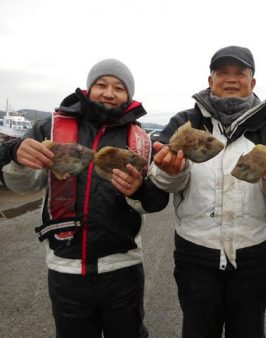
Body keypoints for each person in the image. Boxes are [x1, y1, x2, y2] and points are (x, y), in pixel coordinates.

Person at [2, 58, 169, 338]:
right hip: (65, 268)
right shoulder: (50, 129)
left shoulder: (142, 140)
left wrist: (139, 191)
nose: (109, 92)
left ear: (129, 95)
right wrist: (17, 157)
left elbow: (155, 201)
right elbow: (22, 185)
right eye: (101, 84)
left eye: (119, 87)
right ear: (88, 89)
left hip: (123, 267)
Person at [148, 46, 266, 337]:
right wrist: (169, 171)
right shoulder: (184, 122)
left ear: (252, 83)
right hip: (194, 252)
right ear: (210, 79)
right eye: (222, 72)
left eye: (240, 73)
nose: (230, 79)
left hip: (252, 253)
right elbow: (163, 181)